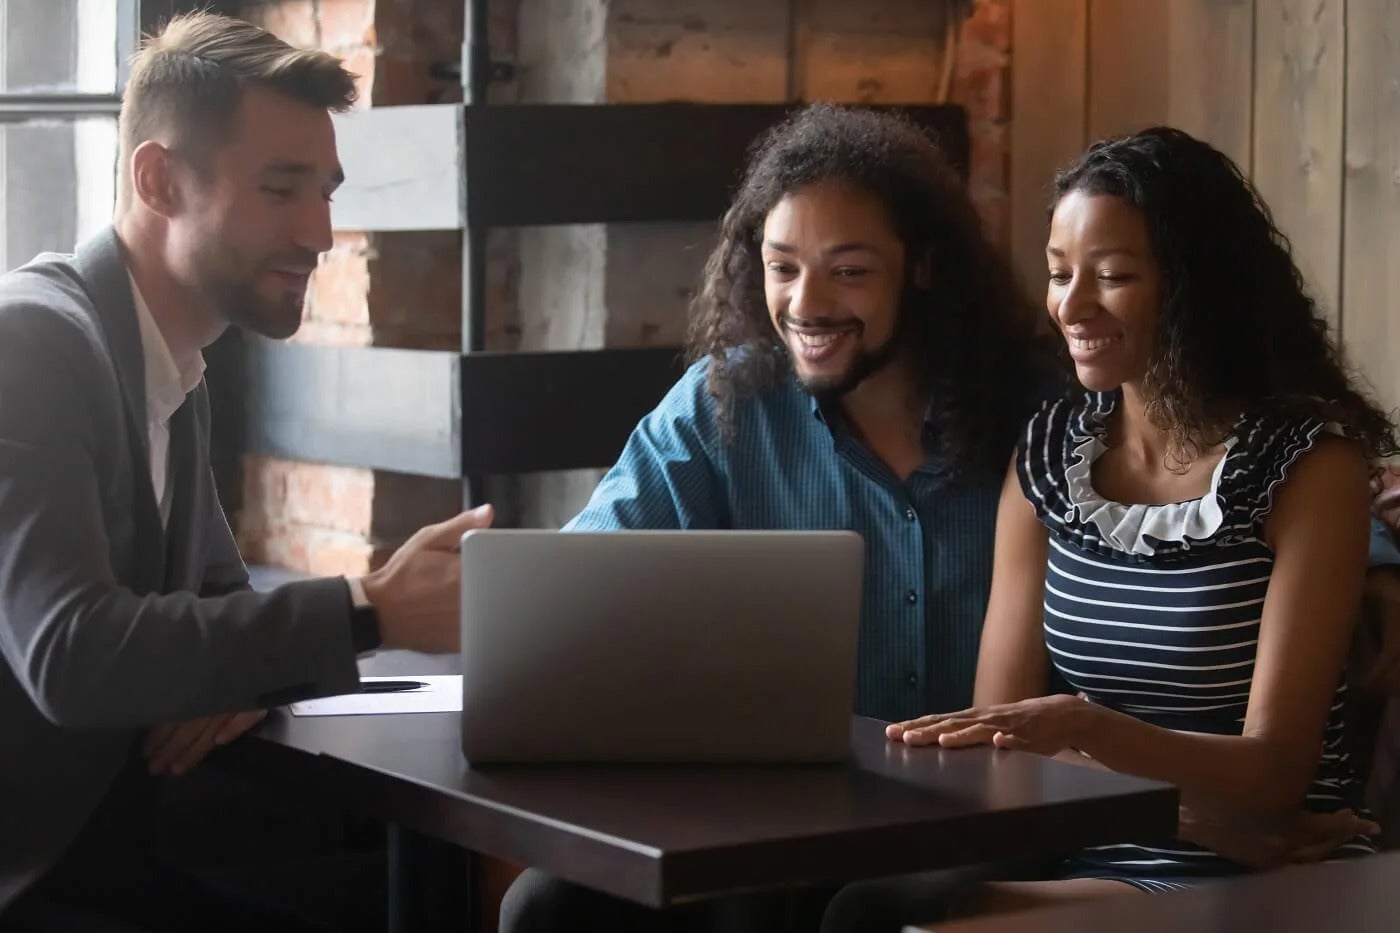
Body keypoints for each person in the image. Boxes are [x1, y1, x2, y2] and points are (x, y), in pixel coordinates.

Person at [498, 103, 1052, 932]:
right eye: (782, 266)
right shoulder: (726, 406)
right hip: (776, 806)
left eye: (850, 271)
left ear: (925, 267)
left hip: (978, 815)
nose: (806, 303)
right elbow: (583, 589)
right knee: (547, 905)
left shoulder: (1032, 411)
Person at [0, 13, 493, 931]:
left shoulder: (175, 366)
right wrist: (374, 607)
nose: (321, 232)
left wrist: (213, 667)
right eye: (281, 189)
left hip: (108, 847)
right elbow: (71, 653)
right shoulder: (30, 342)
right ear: (159, 180)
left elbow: (216, 604)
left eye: (326, 192)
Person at [883, 126, 1398, 920]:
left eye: (1114, 274)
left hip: (1273, 863)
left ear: (1195, 285)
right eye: (1059, 274)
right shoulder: (1050, 455)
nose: (1073, 304)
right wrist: (1171, 808)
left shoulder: (1308, 466)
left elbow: (1274, 772)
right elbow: (1002, 748)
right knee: (857, 904)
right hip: (1097, 845)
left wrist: (1082, 726)